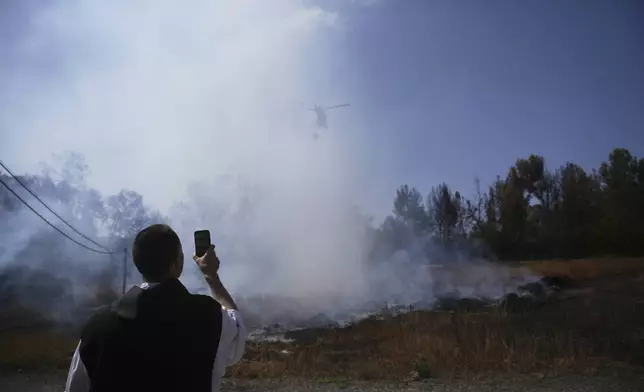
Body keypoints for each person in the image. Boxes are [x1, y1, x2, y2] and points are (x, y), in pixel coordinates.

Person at [64, 224, 246, 392]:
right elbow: (237, 328)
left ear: (137, 262)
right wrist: (211, 276)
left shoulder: (96, 328)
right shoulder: (209, 317)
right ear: (178, 263)